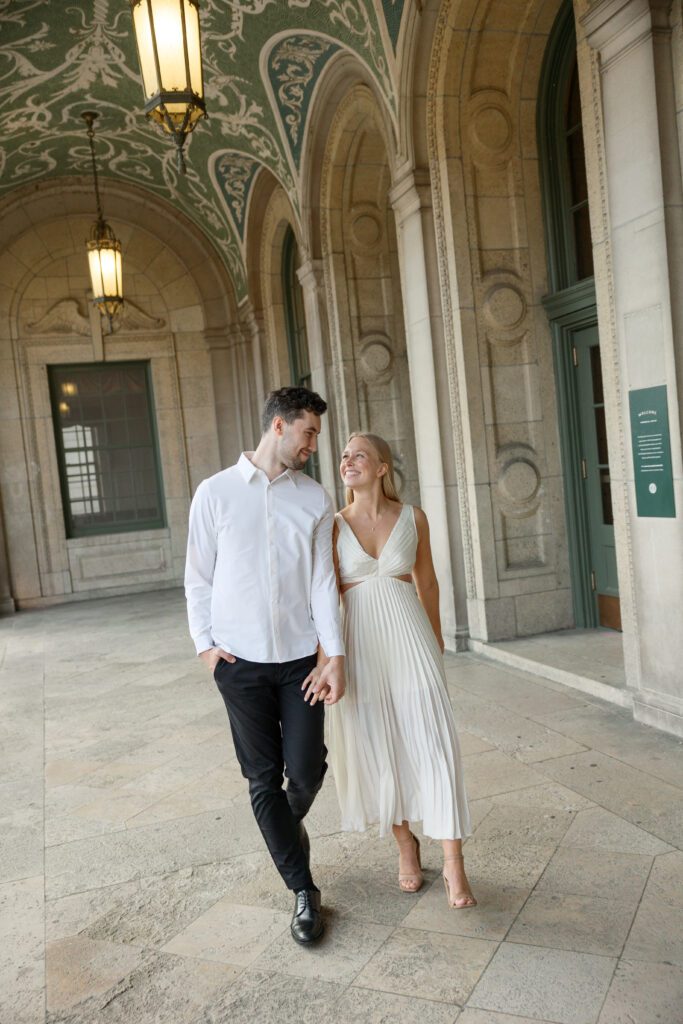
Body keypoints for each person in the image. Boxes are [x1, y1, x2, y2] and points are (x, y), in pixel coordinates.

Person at [184, 386, 346, 944]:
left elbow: (325, 582)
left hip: (301, 660)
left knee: (306, 771)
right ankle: (303, 890)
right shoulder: (216, 493)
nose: (313, 445)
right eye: (309, 433)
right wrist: (206, 648)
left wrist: (336, 655)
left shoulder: (315, 499)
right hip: (240, 663)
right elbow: (197, 577)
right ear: (279, 426)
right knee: (262, 779)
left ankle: (280, 827)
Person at [312, 432, 476, 908]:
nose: (348, 461)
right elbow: (325, 597)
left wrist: (438, 638)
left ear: (382, 467)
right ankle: (406, 844)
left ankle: (453, 864)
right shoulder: (331, 526)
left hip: (411, 638)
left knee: (434, 739)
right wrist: (328, 659)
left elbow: (427, 581)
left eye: (358, 454)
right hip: (359, 642)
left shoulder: (413, 517)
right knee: (378, 744)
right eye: (343, 456)